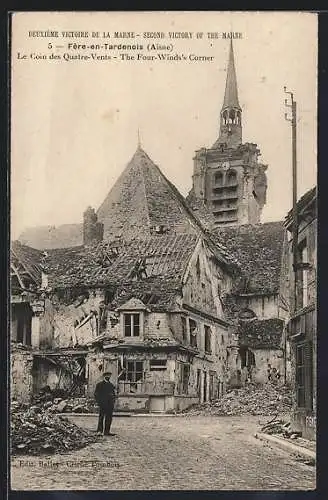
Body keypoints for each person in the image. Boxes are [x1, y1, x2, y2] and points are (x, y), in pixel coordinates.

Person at [94, 372, 116, 436]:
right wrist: (99, 402)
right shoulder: (99, 385)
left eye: (109, 376)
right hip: (103, 404)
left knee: (109, 418)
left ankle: (107, 432)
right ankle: (100, 431)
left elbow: (113, 394)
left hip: (110, 404)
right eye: (107, 376)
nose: (108, 377)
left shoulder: (111, 385)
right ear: (104, 376)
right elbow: (96, 394)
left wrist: (113, 400)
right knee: (101, 417)